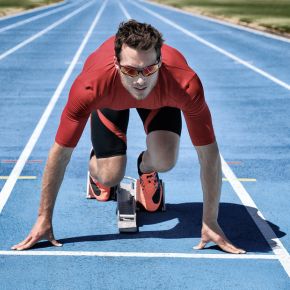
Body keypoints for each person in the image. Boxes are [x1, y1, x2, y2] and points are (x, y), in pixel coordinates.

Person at [12, 20, 245, 254]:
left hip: (160, 99)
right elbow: (60, 154)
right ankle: (99, 168)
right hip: (110, 97)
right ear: (116, 64)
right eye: (131, 70)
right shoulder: (91, 87)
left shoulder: (184, 84)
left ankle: (146, 169)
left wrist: (210, 221)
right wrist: (44, 218)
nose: (140, 80)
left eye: (149, 69)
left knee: (165, 161)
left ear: (160, 62)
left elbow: (209, 155)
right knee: (111, 175)